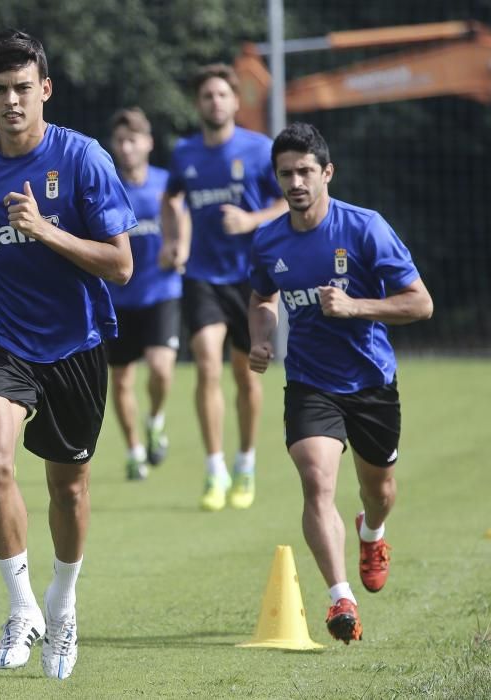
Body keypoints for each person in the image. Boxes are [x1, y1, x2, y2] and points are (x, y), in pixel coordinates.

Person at [0, 29, 135, 679]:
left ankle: (62, 606)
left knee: (67, 488)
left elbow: (122, 265)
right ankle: (21, 607)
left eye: (23, 88)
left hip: (74, 341)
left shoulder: (83, 160)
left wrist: (45, 230)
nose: (11, 101)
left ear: (44, 89)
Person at [248, 122, 432, 644]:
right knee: (316, 480)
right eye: (286, 173)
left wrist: (356, 306)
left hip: (371, 382)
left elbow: (420, 303)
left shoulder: (365, 228)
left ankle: (372, 532)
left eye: (306, 171)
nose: (296, 182)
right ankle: (339, 598)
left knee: (379, 491)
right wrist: (261, 339)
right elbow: (261, 300)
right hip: (309, 382)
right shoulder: (268, 241)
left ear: (327, 172)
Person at [161, 63, 288, 511]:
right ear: (198, 105)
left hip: (252, 280)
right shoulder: (185, 153)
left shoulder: (259, 150)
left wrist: (251, 220)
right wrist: (174, 242)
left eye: (221, 95)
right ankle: (214, 469)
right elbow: (171, 197)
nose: (215, 102)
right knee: (207, 365)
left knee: (246, 376)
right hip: (202, 277)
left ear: (235, 102)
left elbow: (285, 200)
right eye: (207, 96)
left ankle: (245, 463)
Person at [105, 107, 186, 481]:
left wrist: (179, 249)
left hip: (161, 291)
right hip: (117, 297)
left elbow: (182, 221)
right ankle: (135, 451)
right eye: (120, 140)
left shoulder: (166, 183)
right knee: (120, 381)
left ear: (149, 143)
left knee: (159, 367)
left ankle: (155, 418)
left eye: (133, 139)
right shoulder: (106, 186)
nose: (126, 147)